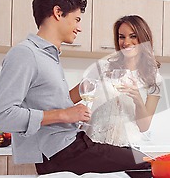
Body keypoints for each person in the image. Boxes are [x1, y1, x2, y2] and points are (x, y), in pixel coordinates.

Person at [0, 0, 150, 175]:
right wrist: (64, 115)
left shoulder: (49, 56)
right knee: (145, 163)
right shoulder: (25, 54)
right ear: (58, 13)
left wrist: (90, 87)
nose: (79, 28)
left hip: (70, 145)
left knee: (133, 166)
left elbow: (57, 101)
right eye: (77, 19)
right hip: (61, 152)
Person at [69, 15, 163, 147]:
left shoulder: (153, 78)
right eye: (121, 37)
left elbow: (144, 127)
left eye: (133, 36)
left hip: (127, 146)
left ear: (143, 38)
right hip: (94, 143)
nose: (126, 42)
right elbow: (69, 99)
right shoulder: (102, 67)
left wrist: (137, 99)